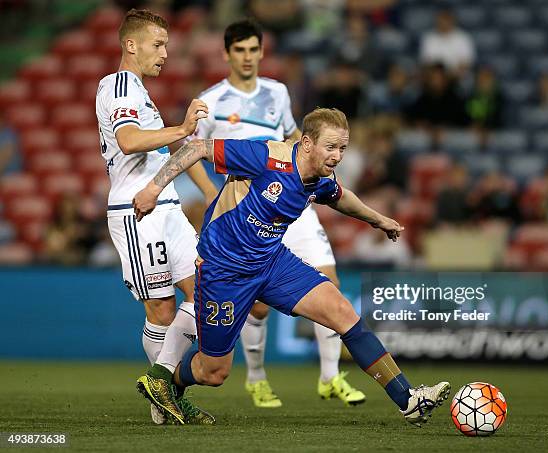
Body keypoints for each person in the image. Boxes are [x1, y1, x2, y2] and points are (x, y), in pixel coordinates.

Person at [134, 107, 451, 427]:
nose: (338, 156)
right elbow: (198, 147)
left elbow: (340, 196)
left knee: (342, 312)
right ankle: (165, 382)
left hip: (272, 262)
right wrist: (153, 189)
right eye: (331, 147)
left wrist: (378, 220)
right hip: (223, 270)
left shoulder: (319, 177)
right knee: (213, 372)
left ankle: (408, 398)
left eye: (343, 148)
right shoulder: (266, 156)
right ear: (308, 143)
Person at [184, 19, 366, 408]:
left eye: (254, 49)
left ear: (262, 52)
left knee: (328, 280)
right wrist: (213, 194)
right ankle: (256, 377)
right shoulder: (212, 99)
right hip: (244, 207)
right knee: (260, 303)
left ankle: (331, 377)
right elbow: (193, 150)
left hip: (291, 192)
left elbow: (292, 139)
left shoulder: (278, 92)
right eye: (240, 50)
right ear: (227, 54)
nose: (248, 57)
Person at [95, 8, 214, 425]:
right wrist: (182, 128)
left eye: (167, 45)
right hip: (137, 210)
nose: (165, 53)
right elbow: (129, 142)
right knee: (162, 312)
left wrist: (211, 191)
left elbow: (161, 149)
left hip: (165, 206)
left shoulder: (140, 92)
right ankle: (165, 397)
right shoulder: (120, 85)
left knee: (207, 291)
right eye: (158, 44)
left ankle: (161, 382)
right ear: (131, 44)